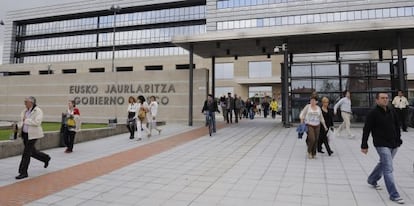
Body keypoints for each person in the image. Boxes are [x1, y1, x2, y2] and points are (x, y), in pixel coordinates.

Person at [361, 92, 404, 204]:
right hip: (381, 144)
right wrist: (364, 145)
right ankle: (394, 195)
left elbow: (396, 126)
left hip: (394, 143)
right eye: (382, 98)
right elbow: (366, 130)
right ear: (377, 100)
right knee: (388, 168)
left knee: (383, 163)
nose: (385, 100)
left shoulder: (391, 111)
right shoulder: (373, 113)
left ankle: (372, 179)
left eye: (386, 98)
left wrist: (399, 139)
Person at [15, 96, 51, 180]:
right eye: (24, 102)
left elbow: (37, 122)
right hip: (25, 134)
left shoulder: (38, 111)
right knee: (32, 152)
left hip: (33, 135)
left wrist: (26, 120)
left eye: (26, 102)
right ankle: (46, 158)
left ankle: (23, 172)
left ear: (31, 102)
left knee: (26, 153)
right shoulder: (24, 111)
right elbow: (22, 122)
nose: (24, 103)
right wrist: (17, 126)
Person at [299, 93, 328, 159]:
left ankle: (314, 153)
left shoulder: (318, 108)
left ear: (317, 102)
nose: (312, 102)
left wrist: (325, 126)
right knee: (312, 139)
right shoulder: (307, 107)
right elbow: (302, 115)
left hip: (317, 125)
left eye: (314, 101)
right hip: (309, 125)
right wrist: (301, 123)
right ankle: (309, 152)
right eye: (311, 100)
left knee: (316, 140)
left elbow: (321, 118)